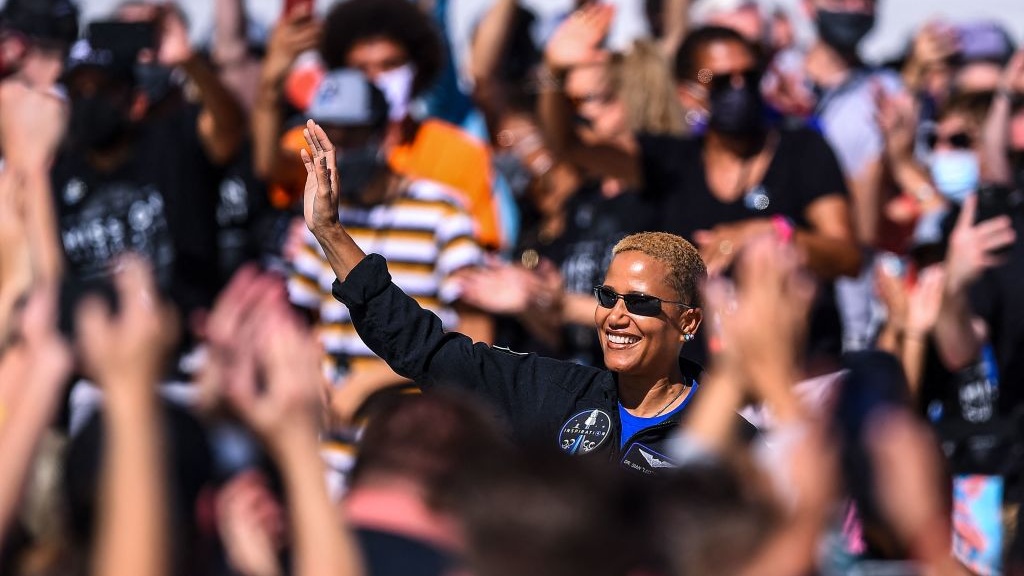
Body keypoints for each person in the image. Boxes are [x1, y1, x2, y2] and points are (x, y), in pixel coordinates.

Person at [300, 118, 754, 471]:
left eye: (639, 303)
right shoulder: (553, 394)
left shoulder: (731, 441)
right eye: (607, 297)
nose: (616, 316)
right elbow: (426, 350)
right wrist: (331, 232)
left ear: (689, 322)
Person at [286, 70, 490, 425]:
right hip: (335, 442)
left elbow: (477, 336)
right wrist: (309, 375)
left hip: (414, 434)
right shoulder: (320, 215)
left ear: (384, 132)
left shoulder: (442, 211)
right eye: (329, 138)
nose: (339, 151)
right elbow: (310, 324)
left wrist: (373, 382)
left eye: (354, 135)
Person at [254, 0, 510, 252]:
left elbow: (481, 251)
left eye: (390, 65)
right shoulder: (322, 141)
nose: (376, 78)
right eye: (362, 68)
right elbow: (271, 166)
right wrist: (270, 86)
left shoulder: (461, 151)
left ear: (417, 70)